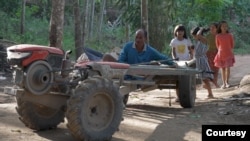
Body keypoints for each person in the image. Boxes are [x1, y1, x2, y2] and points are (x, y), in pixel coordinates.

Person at [191, 26, 214, 98]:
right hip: (198, 60)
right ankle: (194, 94)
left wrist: (201, 29)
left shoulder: (204, 40)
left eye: (194, 36)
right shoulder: (198, 41)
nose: (195, 37)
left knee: (205, 78)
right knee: (199, 78)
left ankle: (210, 93)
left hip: (202, 61)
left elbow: (198, 35)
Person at [214, 20, 235, 89]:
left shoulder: (230, 35)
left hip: (228, 53)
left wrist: (229, 50)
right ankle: (223, 83)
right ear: (220, 27)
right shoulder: (218, 36)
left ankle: (227, 82)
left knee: (228, 68)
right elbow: (217, 46)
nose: (225, 27)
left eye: (226, 26)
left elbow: (232, 45)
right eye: (223, 26)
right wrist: (221, 50)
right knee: (222, 69)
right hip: (221, 54)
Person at [206, 22, 219, 88]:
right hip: (209, 53)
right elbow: (205, 44)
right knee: (209, 68)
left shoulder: (219, 35)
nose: (211, 28)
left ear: (217, 28)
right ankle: (208, 84)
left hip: (217, 53)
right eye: (211, 27)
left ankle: (215, 82)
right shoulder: (208, 36)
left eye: (213, 27)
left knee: (216, 68)